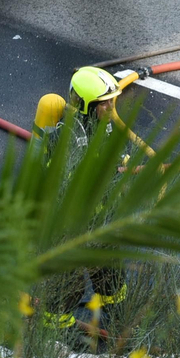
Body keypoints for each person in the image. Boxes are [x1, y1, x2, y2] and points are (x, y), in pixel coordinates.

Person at [36, 66, 131, 328]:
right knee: (65, 291)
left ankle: (116, 329)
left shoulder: (104, 127)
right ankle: (55, 342)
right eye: (105, 103)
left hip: (101, 224)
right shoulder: (67, 139)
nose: (112, 108)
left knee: (112, 281)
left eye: (112, 101)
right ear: (86, 106)